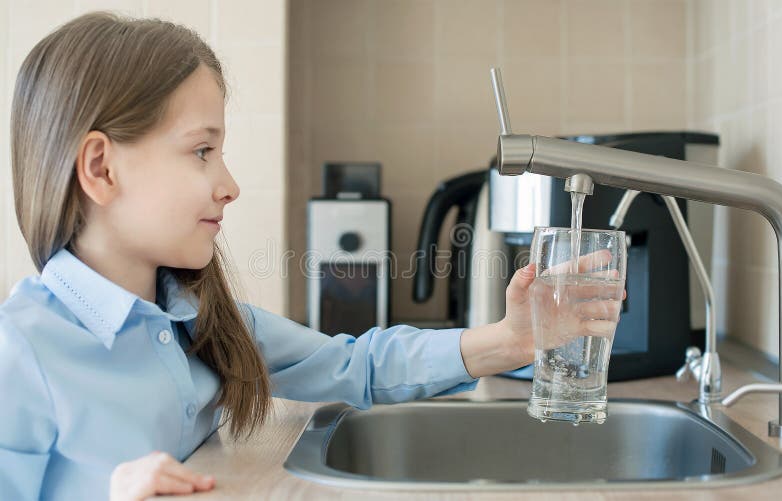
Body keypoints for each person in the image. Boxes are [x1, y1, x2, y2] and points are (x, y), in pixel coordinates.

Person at [0, 11, 622, 501]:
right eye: (201, 151)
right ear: (102, 168)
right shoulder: (20, 353)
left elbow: (357, 367)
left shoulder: (205, 322)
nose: (229, 184)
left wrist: (512, 341)